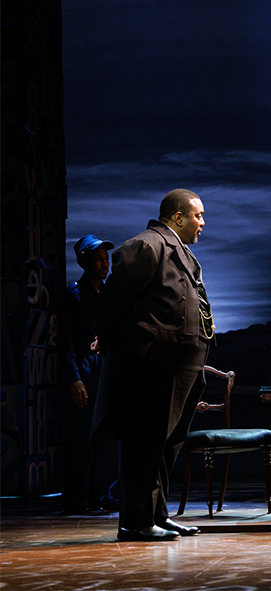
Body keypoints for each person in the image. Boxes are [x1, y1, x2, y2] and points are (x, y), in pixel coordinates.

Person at [92, 189, 215, 542]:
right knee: (145, 440)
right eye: (198, 216)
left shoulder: (181, 251)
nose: (202, 223)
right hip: (157, 362)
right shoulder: (147, 245)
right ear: (177, 216)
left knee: (167, 442)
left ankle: (156, 515)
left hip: (183, 362)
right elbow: (113, 300)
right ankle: (134, 521)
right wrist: (107, 339)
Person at [59, 235, 120, 514]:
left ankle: (103, 496)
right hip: (84, 368)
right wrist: (74, 378)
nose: (105, 264)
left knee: (108, 435)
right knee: (82, 437)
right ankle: (78, 500)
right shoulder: (73, 295)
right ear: (84, 262)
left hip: (106, 367)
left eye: (106, 259)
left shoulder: (109, 295)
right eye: (98, 259)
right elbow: (65, 342)